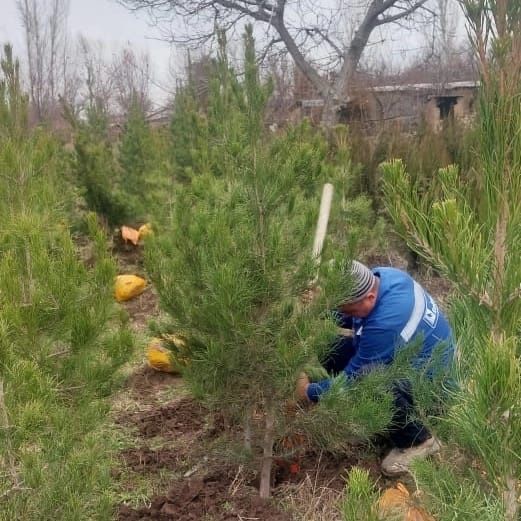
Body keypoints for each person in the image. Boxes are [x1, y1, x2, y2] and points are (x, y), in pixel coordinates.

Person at [296, 260, 455, 476]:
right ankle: (378, 416)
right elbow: (345, 314)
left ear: (369, 298)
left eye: (348, 308)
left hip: (434, 386)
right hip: (411, 354)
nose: (346, 313)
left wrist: (309, 392)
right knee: (330, 346)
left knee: (374, 380)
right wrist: (316, 310)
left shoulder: (384, 326)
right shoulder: (385, 277)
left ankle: (418, 441)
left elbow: (354, 379)